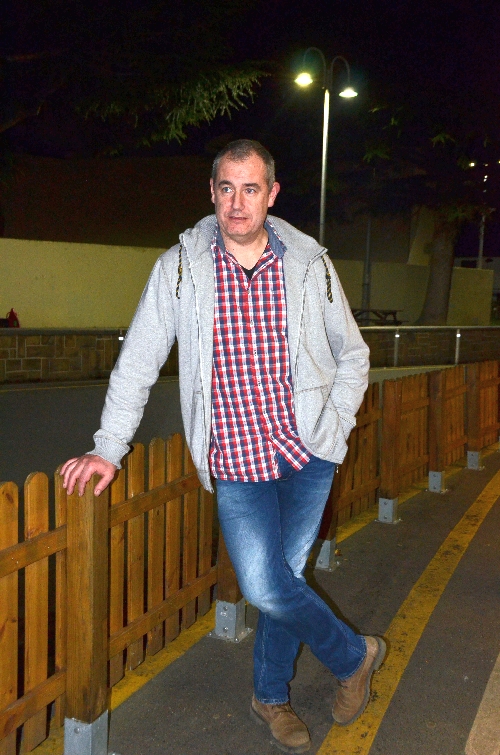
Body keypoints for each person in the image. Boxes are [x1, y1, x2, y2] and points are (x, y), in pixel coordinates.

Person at [61, 139, 386, 754]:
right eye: (227, 188)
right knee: (265, 587)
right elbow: (138, 363)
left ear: (272, 194)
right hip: (236, 459)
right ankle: (355, 656)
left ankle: (270, 697)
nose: (238, 203)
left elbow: (353, 354)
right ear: (212, 192)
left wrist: (336, 425)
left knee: (285, 579)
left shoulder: (308, 264)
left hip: (307, 453)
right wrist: (108, 446)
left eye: (251, 188)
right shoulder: (181, 269)